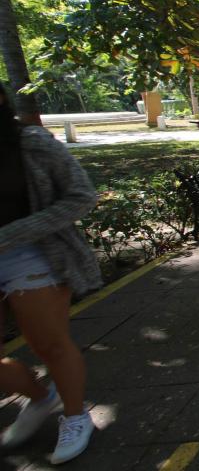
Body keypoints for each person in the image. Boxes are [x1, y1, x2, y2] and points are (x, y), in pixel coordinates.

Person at [0, 83, 101, 464]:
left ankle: (75, 416)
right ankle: (42, 398)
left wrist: (11, 234)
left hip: (33, 254)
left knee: (49, 345)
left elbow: (82, 196)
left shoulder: (30, 143)